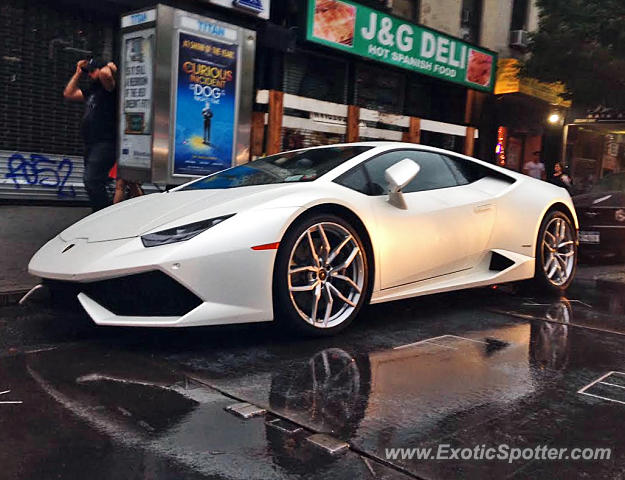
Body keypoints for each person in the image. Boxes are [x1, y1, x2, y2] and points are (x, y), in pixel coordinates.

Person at [63, 58, 117, 212]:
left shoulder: (109, 88)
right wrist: (78, 73)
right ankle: (100, 212)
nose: (90, 74)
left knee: (91, 180)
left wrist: (108, 66)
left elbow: (106, 74)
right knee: (95, 181)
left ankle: (103, 214)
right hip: (91, 143)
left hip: (105, 142)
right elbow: (69, 93)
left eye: (93, 71)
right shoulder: (93, 90)